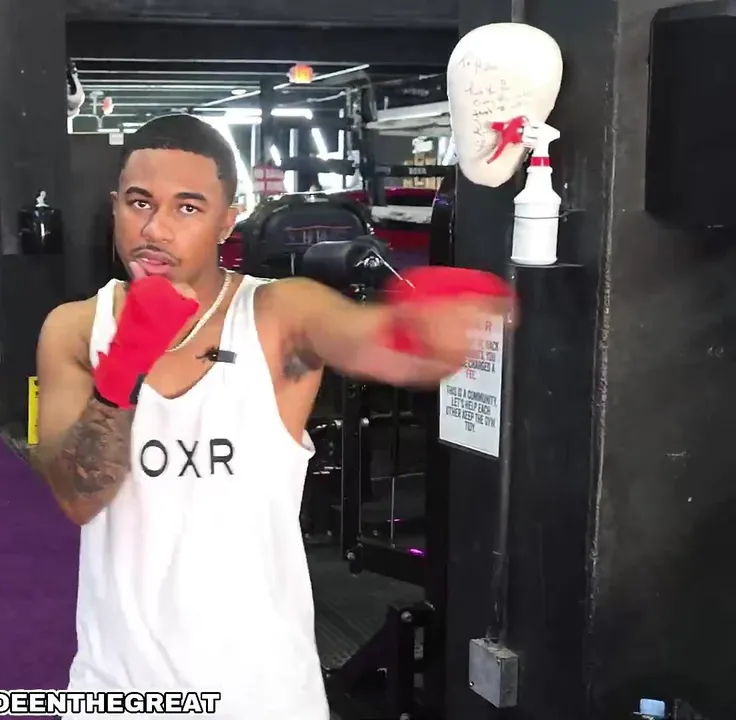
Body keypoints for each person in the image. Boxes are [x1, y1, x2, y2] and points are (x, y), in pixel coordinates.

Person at [32, 116, 511, 719]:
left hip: (259, 691)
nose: (154, 229)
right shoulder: (75, 329)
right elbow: (77, 497)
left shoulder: (278, 313)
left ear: (227, 220)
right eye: (139, 202)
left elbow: (370, 340)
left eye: (187, 208)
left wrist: (425, 333)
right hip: (118, 687)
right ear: (115, 206)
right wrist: (126, 364)